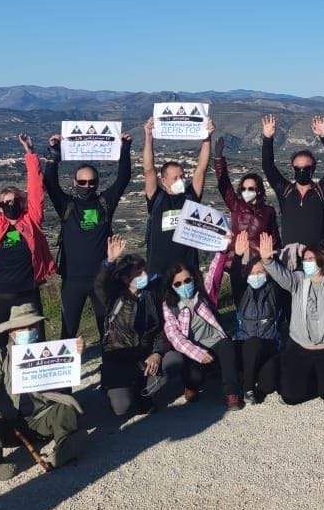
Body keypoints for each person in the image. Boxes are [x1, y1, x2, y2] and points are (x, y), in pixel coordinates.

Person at [0, 303, 85, 480]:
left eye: (32, 326)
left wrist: (75, 355)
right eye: (22, 327)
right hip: (10, 422)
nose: (28, 330)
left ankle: (64, 449)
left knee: (66, 409)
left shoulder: (52, 353)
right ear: (12, 332)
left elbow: (63, 382)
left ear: (39, 328)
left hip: (42, 418)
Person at [44, 125, 133, 341]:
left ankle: (110, 371)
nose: (87, 186)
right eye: (82, 182)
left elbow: (123, 179)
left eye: (91, 182)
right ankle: (67, 372)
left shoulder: (105, 203)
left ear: (97, 183)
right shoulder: (67, 205)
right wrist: (54, 153)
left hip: (101, 277)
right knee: (68, 330)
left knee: (107, 329)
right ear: (74, 182)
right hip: (72, 279)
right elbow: (50, 183)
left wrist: (125, 148)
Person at [0, 135, 55, 355]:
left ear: (23, 202)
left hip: (27, 294)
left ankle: (33, 389)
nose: (10, 204)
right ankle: (0, 388)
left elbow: (36, 188)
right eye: (5, 202)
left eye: (15, 200)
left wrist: (30, 154)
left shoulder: (32, 220)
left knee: (33, 347)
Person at [260, 231, 324, 405]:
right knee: (291, 398)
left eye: (310, 259)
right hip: (299, 347)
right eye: (305, 259)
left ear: (322, 260)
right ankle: (288, 366)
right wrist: (267, 261)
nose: (306, 262)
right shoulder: (298, 280)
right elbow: (282, 276)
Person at [93, 235, 170, 418]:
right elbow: (99, 284)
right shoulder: (113, 299)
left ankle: (143, 391)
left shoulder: (150, 295)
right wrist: (110, 261)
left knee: (173, 361)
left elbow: (161, 329)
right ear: (127, 278)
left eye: (144, 271)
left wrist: (158, 353)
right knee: (121, 408)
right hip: (119, 359)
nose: (145, 276)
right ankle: (114, 387)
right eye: (139, 273)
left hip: (144, 357)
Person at [161, 247, 242, 409]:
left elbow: (214, 272)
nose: (184, 285)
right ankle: (191, 386)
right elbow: (175, 337)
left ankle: (231, 394)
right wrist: (198, 354)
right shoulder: (169, 306)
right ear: (172, 286)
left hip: (216, 341)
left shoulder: (204, 293)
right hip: (193, 348)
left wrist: (223, 251)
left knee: (227, 345)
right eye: (178, 283)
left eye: (187, 280)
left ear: (193, 278)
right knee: (195, 376)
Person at [141, 115, 213, 274]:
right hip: (158, 271)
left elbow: (201, 168)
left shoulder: (191, 196)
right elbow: (148, 169)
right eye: (175, 178)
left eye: (182, 176)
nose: (180, 180)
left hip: (187, 271)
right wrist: (148, 136)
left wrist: (207, 138)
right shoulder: (156, 198)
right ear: (163, 180)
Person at [260, 114, 324, 252]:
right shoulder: (285, 190)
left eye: (306, 168)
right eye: (298, 168)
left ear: (314, 168)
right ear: (292, 168)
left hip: (316, 257)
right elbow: (268, 166)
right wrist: (267, 139)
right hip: (289, 258)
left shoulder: (321, 191)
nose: (302, 171)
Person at [212, 135, 278, 284]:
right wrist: (218, 159)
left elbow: (274, 238)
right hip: (237, 261)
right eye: (243, 188)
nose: (246, 191)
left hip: (260, 262)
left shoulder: (269, 211)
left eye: (250, 188)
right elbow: (224, 186)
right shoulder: (236, 205)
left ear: (259, 190)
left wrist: (273, 256)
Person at [230, 232, 281, 403]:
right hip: (245, 346)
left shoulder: (274, 292)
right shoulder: (242, 293)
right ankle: (248, 388)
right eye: (252, 273)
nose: (256, 275)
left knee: (268, 386)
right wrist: (237, 255)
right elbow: (235, 275)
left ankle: (248, 376)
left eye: (260, 272)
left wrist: (270, 260)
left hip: (268, 346)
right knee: (253, 342)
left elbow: (281, 276)